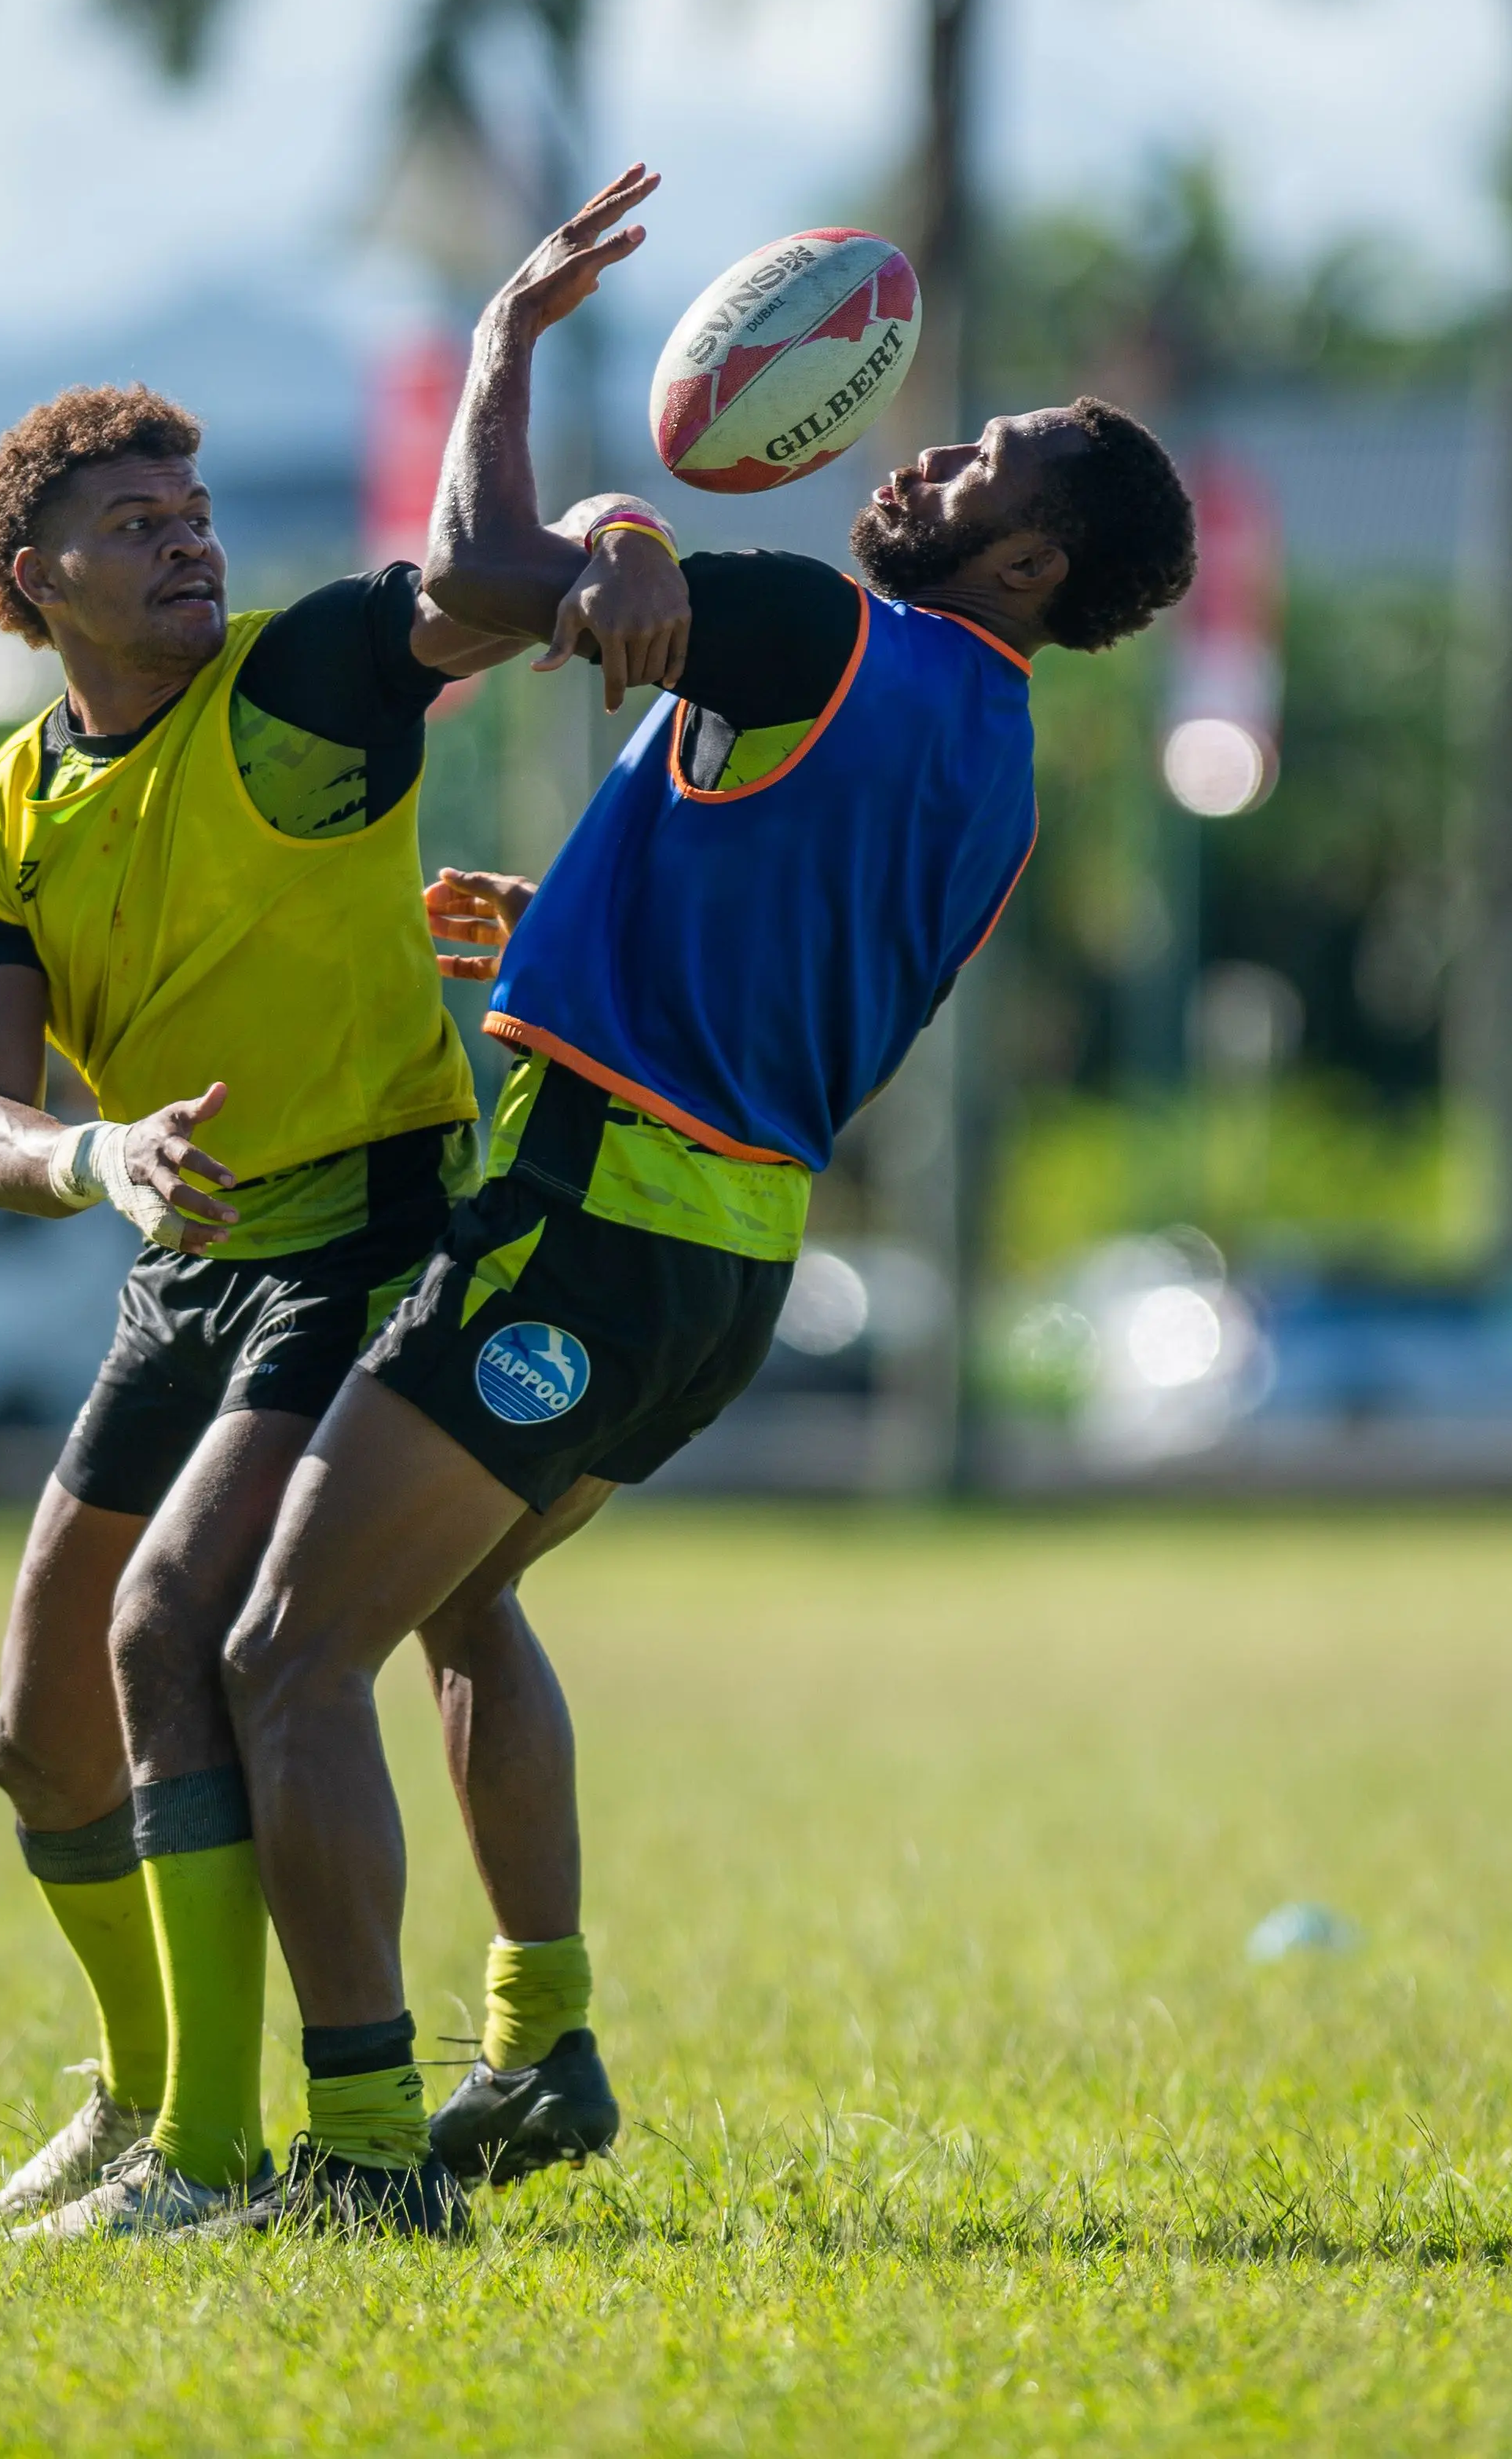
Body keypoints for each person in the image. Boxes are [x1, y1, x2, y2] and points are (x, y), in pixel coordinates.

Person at [206, 167, 1203, 2237]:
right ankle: (543, 2040)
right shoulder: (996, 757)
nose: (919, 448)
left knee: (284, 1659)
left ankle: (374, 2164)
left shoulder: (832, 629)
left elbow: (483, 571)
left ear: (1022, 555)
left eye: (971, 455)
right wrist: (577, 921)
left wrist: (507, 352)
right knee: (464, 1599)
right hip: (727, 1268)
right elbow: (785, 942)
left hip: (591, 1223)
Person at [0, 383, 693, 2238]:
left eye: (192, 508)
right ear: (33, 579)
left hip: (371, 1219)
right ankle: (139, 2095)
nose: (186, 535)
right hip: (186, 1249)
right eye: (133, 520)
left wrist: (629, 528)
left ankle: (243, 2133)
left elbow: (496, 588)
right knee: (40, 1731)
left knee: (214, 1622)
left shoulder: (297, 676)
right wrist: (91, 1157)